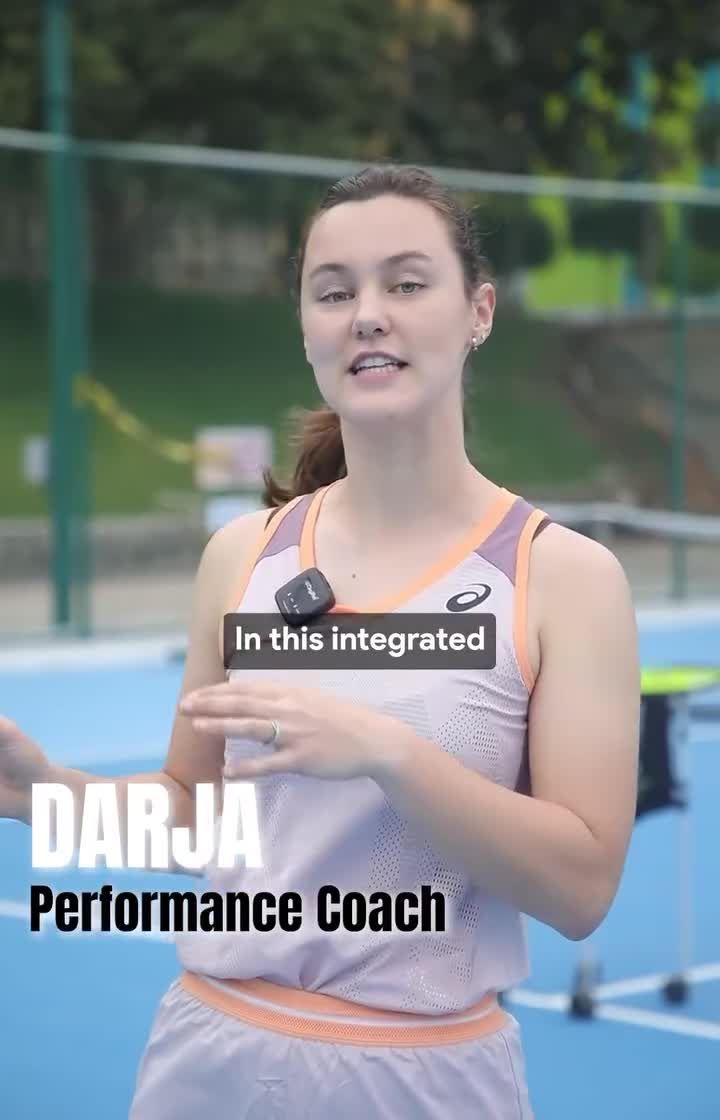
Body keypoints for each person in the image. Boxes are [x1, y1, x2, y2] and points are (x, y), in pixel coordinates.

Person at [0, 164, 640, 1119]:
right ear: (306, 332)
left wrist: (390, 755)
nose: (368, 316)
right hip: (206, 1064)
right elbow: (199, 818)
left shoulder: (566, 578)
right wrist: (41, 796)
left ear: (480, 312)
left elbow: (581, 890)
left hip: (423, 1081)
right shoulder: (242, 556)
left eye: (407, 283)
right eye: (334, 293)